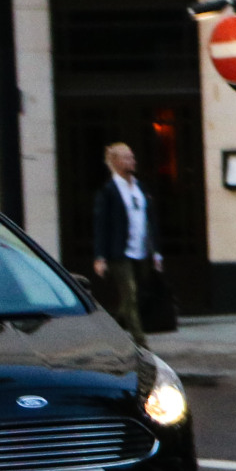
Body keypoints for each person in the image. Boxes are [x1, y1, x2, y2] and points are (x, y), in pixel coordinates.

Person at [91, 141, 161, 346]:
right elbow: (101, 225)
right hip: (119, 253)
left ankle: (112, 326)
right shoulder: (109, 191)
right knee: (129, 293)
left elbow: (151, 220)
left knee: (135, 296)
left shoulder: (140, 187)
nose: (133, 161)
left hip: (142, 251)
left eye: (132, 157)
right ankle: (141, 343)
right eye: (127, 157)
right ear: (115, 162)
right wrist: (100, 256)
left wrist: (156, 252)